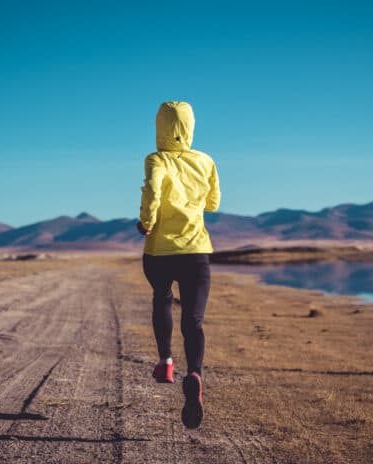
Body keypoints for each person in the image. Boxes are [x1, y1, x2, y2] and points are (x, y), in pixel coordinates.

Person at [137, 101, 221, 429]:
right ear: (190, 126)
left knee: (161, 297)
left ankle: (166, 362)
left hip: (160, 250)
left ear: (159, 126)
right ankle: (195, 374)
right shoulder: (206, 161)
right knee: (194, 320)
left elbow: (153, 191)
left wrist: (146, 222)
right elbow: (213, 203)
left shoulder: (156, 159)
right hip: (196, 250)